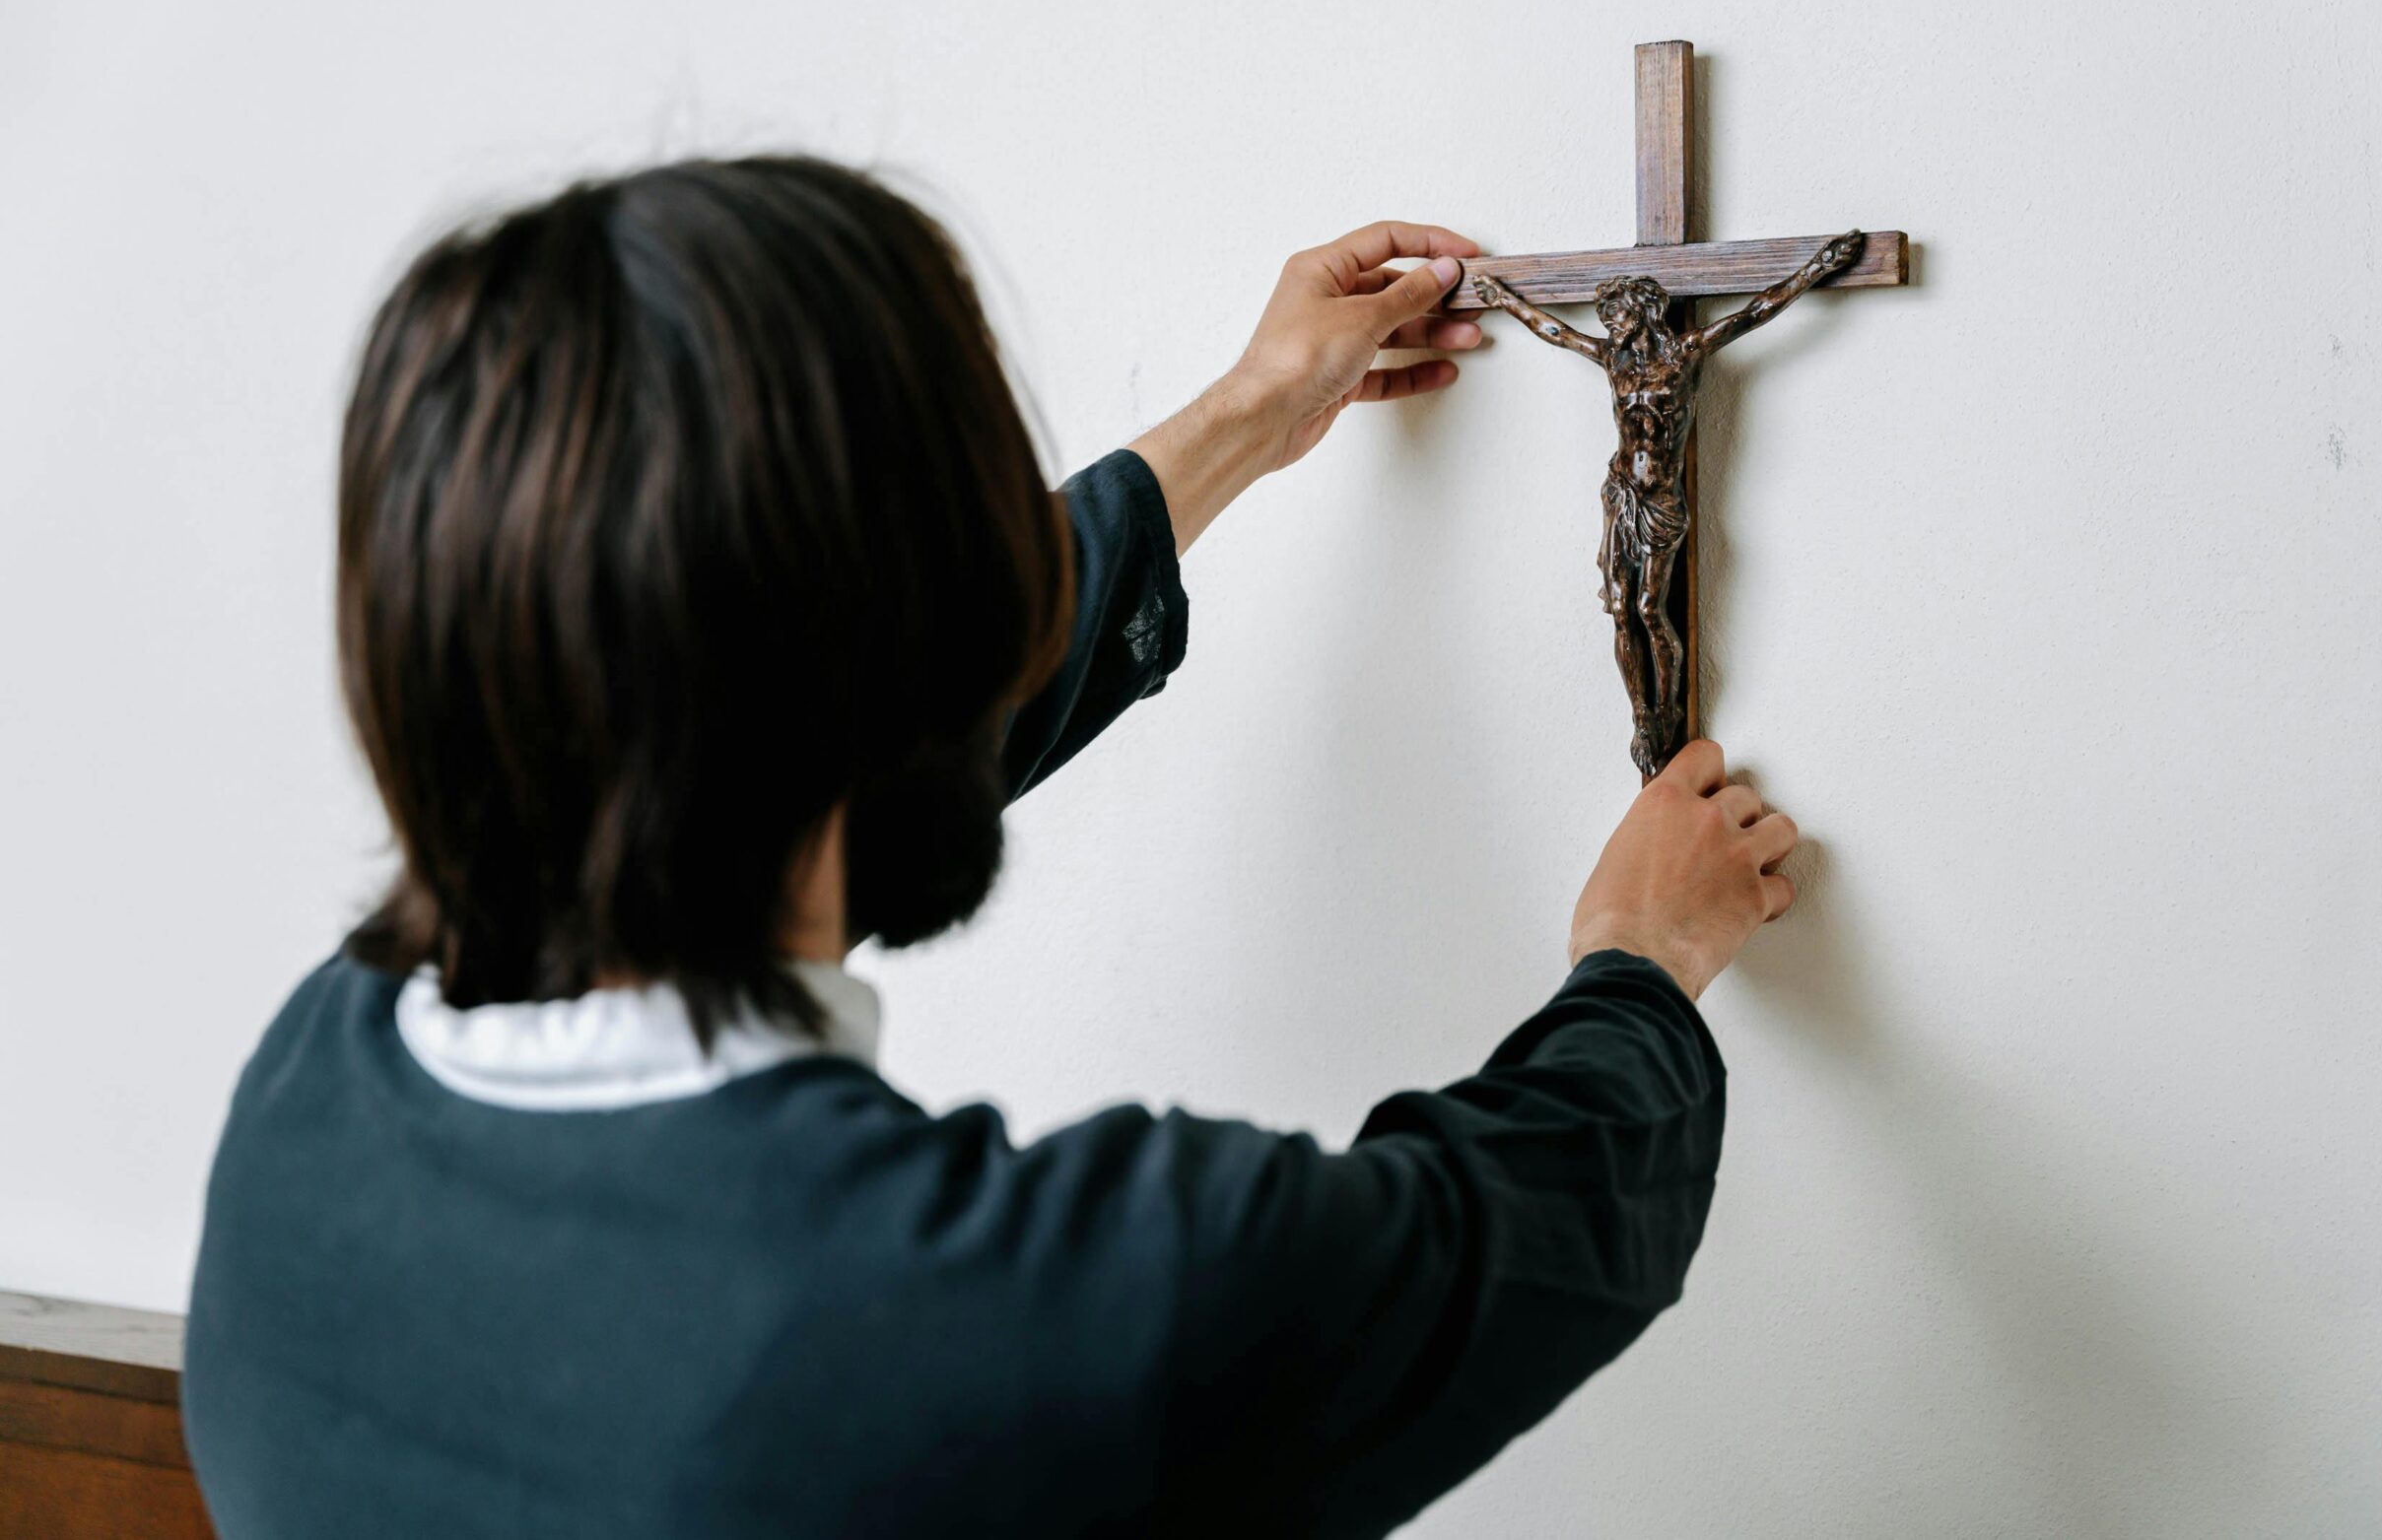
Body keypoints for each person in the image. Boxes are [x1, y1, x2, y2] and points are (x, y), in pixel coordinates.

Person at [183, 157, 1801, 1539]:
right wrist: (1639, 966)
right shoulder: (1027, 1314)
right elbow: (1499, 1239)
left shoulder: (306, 1099)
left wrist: (1246, 416)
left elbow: (831, 713)